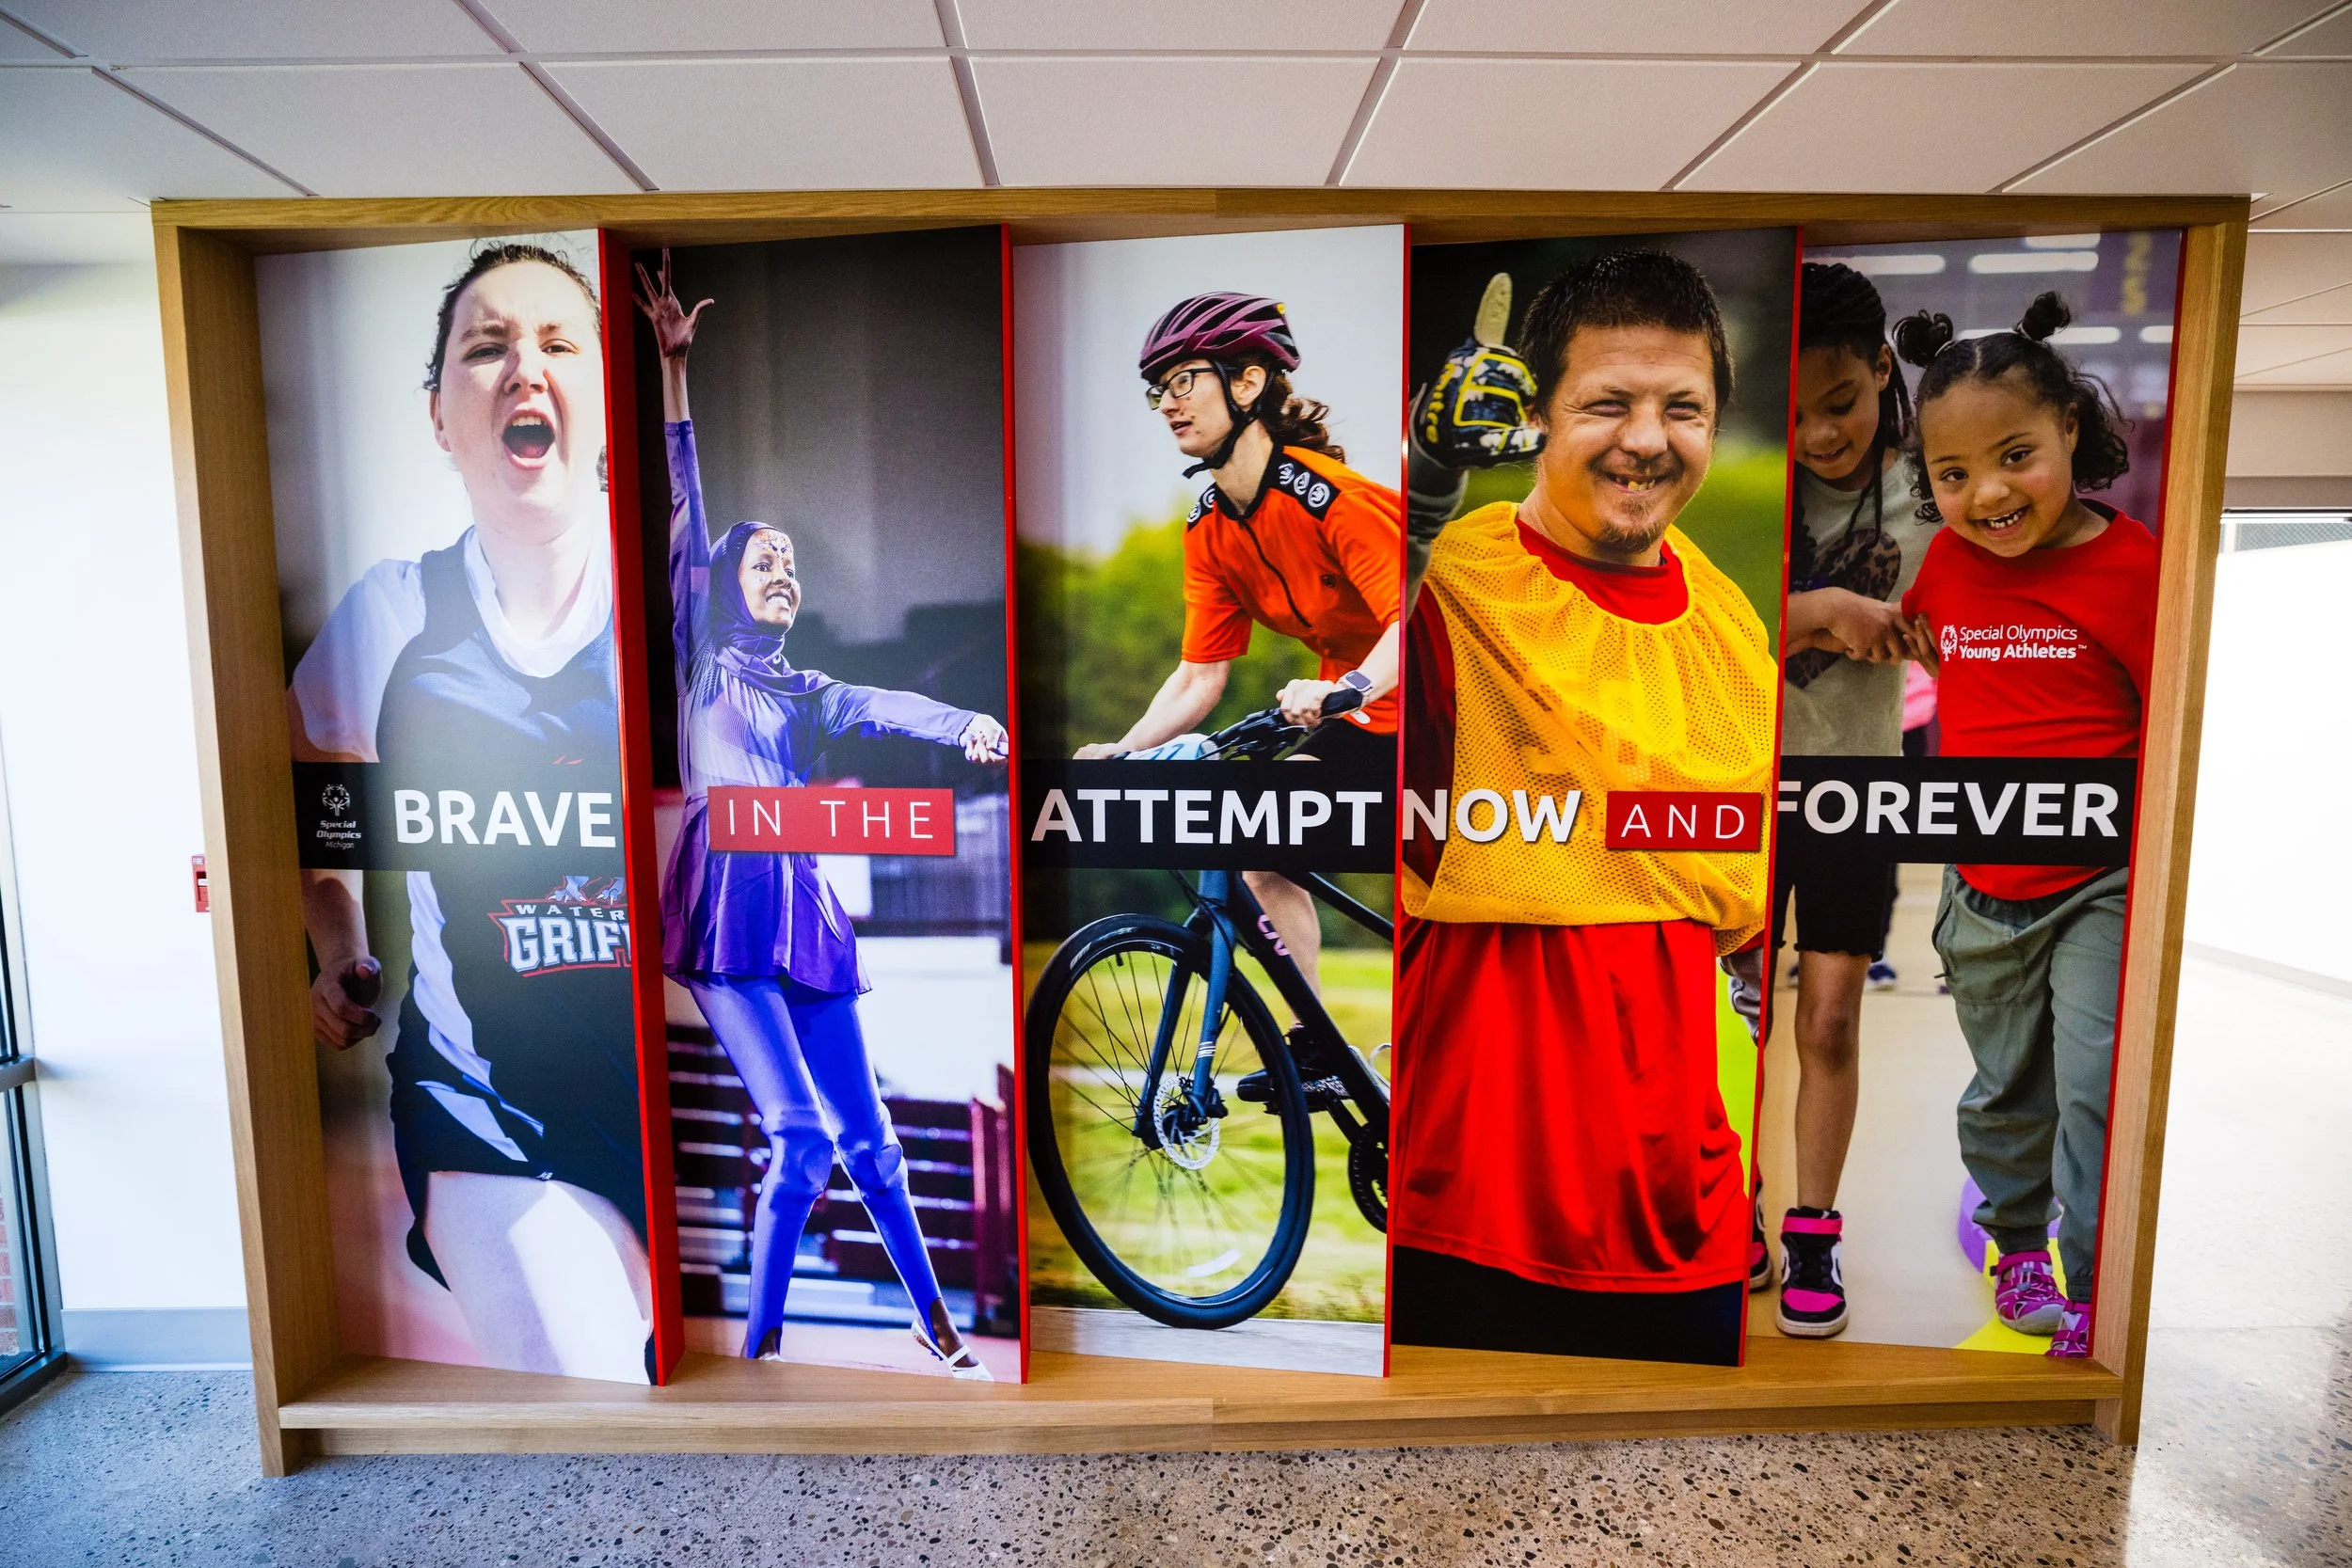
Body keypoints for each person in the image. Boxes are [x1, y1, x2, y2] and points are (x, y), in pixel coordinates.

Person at [1389, 250, 1776, 1366]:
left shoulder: (1730, 629)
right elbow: (1365, 610)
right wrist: (1425, 471)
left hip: (1682, 1212)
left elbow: (1746, 941)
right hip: (1467, 1205)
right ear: (1536, 419)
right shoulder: (1456, 582)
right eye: (1607, 402)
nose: (1646, 438)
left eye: (1682, 408)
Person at [637, 256, 1008, 1378]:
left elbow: (889, 703)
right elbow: (685, 508)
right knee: (799, 1137)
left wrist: (966, 723)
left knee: (874, 1148)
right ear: (722, 582)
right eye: (765, 560)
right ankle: (760, 1344)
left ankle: (933, 1320)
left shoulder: (811, 690)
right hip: (724, 916)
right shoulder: (702, 657)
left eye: (792, 563)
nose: (783, 571)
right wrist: (675, 374)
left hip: (802, 911)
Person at [290, 243, 654, 1382]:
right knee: (597, 1398)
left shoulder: (676, 601)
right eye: (487, 347)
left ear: (607, 400)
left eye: (558, 343)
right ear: (440, 415)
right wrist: (339, 947)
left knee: (713, 1399)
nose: (524, 369)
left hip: (678, 1088)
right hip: (489, 1104)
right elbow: (307, 804)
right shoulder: (392, 615)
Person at [1894, 292, 2157, 1360]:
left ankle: (2091, 1286)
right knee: (2007, 1087)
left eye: (2015, 457)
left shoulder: (2137, 568)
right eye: (1953, 473)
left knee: (2092, 1085)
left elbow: (2173, 721)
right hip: (1983, 886)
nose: (1989, 493)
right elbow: (1925, 639)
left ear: (2071, 432)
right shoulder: (1945, 563)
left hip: (2100, 880)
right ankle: (2016, 1244)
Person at [1073, 293, 1402, 1000]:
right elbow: (1200, 676)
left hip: (1455, 708)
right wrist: (1124, 751)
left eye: (1184, 380)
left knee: (1443, 895)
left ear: (1248, 383)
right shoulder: (1210, 527)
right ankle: (1312, 1043)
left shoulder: (1334, 500)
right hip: (1372, 715)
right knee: (1262, 846)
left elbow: (1416, 624)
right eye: (1159, 389)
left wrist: (1343, 687)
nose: (1167, 402)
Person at [1756, 261, 1941, 1339]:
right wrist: (1821, 606)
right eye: (1792, 415)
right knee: (1734, 1016)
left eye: (1838, 402)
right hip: (1735, 783)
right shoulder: (1734, 480)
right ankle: (1725, 1205)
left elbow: (1979, 610)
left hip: (1857, 784)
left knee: (1827, 1015)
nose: (1819, 435)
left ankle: (1812, 1227)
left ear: (1879, 366)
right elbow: (1690, 623)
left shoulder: (1934, 486)